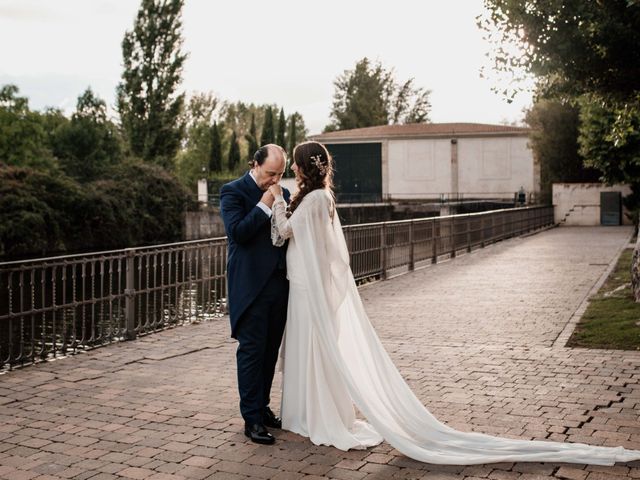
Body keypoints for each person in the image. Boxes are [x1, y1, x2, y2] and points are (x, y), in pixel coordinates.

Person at [267, 140, 640, 465]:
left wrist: (276, 202)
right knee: (312, 351)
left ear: (302, 167)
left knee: (313, 351)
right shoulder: (323, 197)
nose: (294, 168)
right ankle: (310, 413)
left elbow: (284, 234)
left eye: (296, 163)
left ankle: (315, 416)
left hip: (305, 289)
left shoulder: (313, 199)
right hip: (304, 285)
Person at [220, 144, 290, 445]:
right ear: (255, 164)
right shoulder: (232, 192)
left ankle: (262, 408)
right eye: (270, 174)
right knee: (251, 352)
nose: (275, 181)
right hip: (249, 286)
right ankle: (251, 419)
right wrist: (263, 203)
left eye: (280, 174)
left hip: (279, 285)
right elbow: (238, 233)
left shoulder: (284, 194)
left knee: (269, 352)